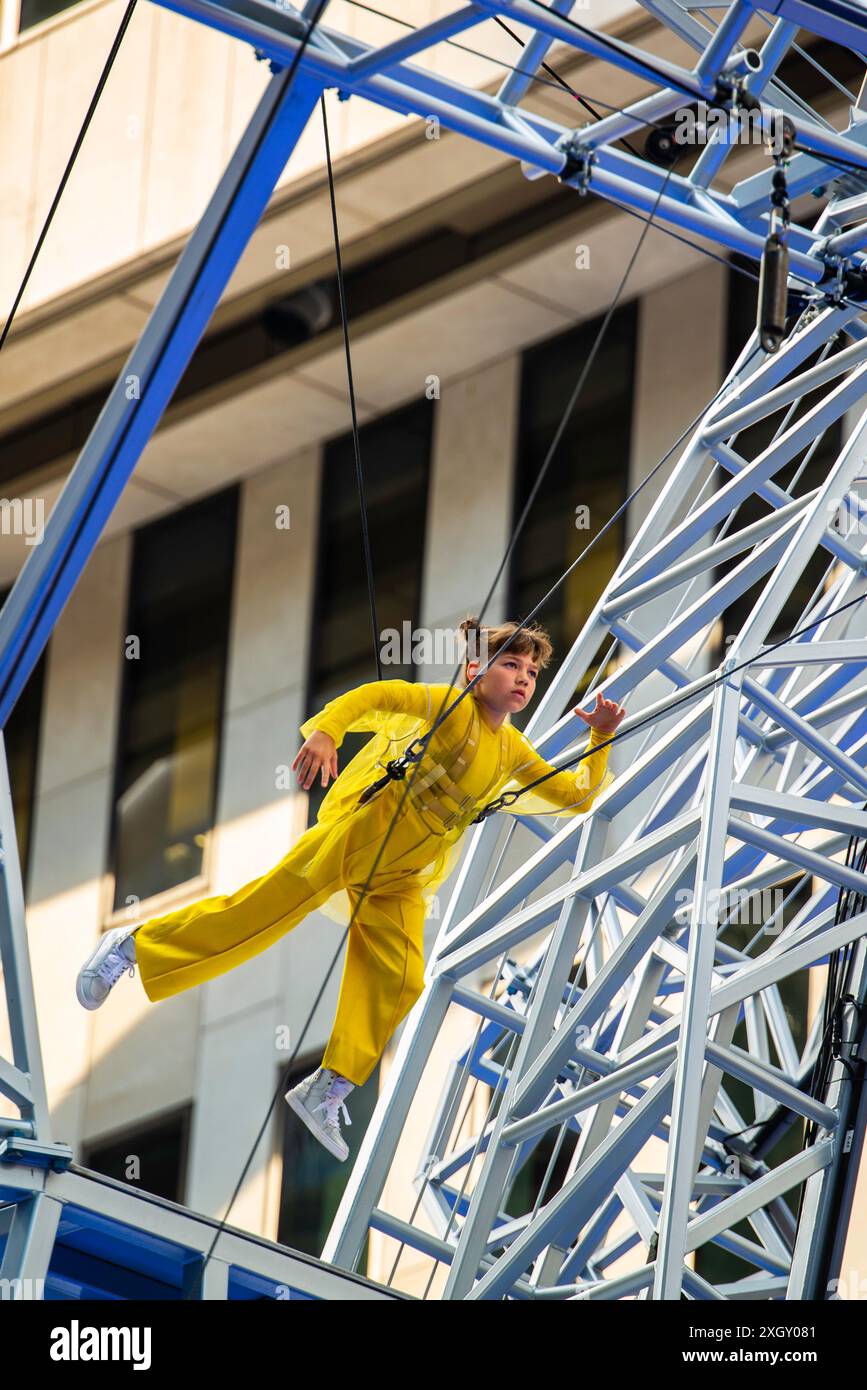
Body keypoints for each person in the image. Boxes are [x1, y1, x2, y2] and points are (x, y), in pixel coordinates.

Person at [76, 617, 626, 1162]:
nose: (524, 678)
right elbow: (374, 695)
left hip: (404, 875)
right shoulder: (446, 706)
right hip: (361, 835)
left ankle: (328, 1085)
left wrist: (600, 735)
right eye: (511, 664)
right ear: (474, 670)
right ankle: (133, 946)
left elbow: (575, 795)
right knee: (259, 915)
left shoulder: (510, 750)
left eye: (531, 670)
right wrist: (325, 732)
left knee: (406, 976)